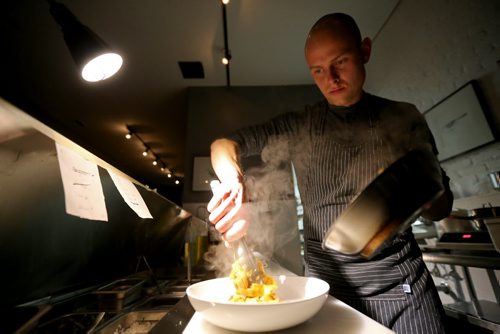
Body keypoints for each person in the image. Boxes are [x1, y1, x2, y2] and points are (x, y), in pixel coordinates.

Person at [207, 13, 453, 334]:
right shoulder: (300, 124)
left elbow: (441, 209)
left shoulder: (402, 116)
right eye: (319, 71)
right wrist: (232, 181)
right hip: (328, 290)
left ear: (364, 51)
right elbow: (224, 144)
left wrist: (418, 185)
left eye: (341, 62)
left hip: (402, 287)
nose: (331, 79)